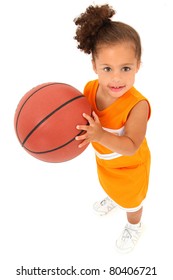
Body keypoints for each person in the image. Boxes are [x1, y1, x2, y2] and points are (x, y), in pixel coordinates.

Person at [74, 4, 151, 253]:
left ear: (138, 65)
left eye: (125, 68)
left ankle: (135, 225)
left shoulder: (137, 105)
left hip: (130, 168)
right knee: (107, 185)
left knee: (132, 201)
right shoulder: (90, 89)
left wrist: (99, 134)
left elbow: (130, 147)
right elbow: (78, 118)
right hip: (105, 161)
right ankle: (114, 196)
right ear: (95, 66)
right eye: (107, 69)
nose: (116, 78)